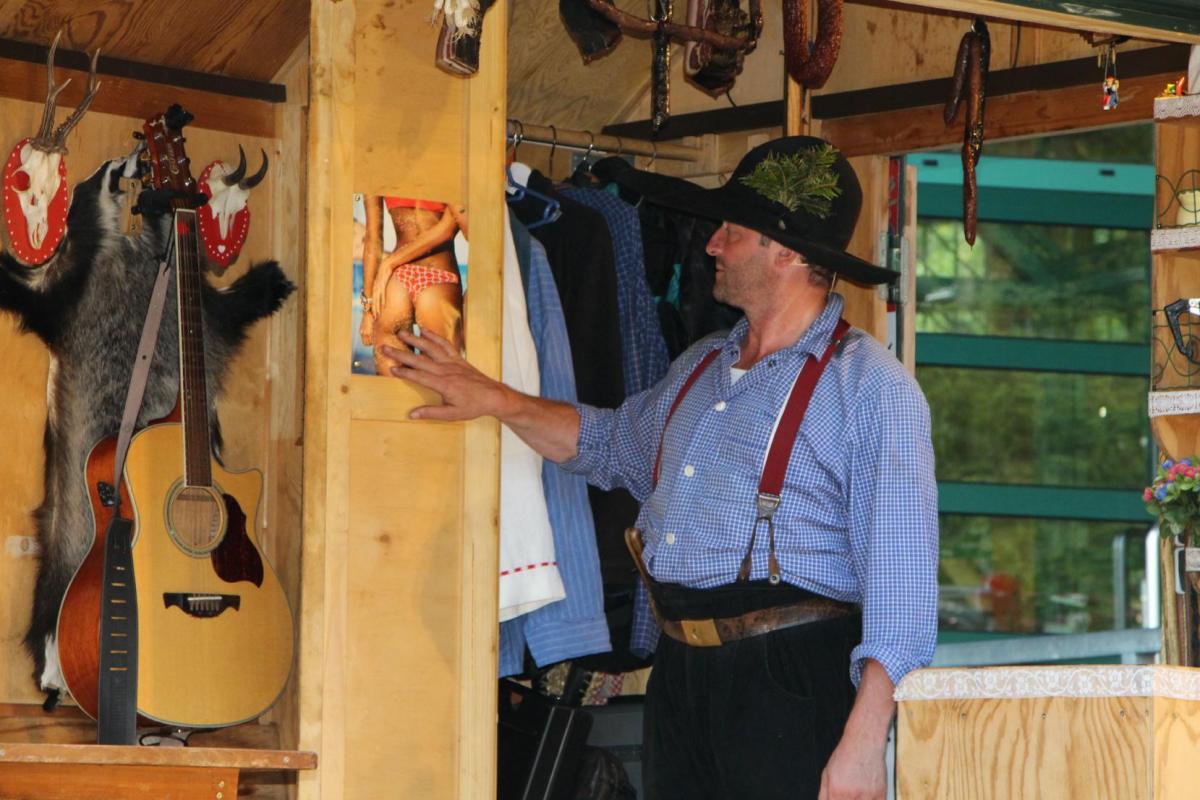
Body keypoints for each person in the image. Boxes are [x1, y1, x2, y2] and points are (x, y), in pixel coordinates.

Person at [382, 137, 939, 800]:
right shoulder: (702, 366)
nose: (712, 246)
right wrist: (494, 398)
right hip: (681, 674)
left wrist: (865, 745)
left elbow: (903, 594)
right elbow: (608, 444)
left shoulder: (870, 387)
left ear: (785, 253)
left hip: (789, 680)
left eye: (732, 232)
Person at [359, 196, 468, 374]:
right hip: (438, 272)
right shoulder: (449, 177)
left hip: (396, 280)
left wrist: (368, 309)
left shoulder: (377, 176)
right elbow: (450, 229)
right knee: (443, 380)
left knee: (392, 384)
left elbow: (373, 238)